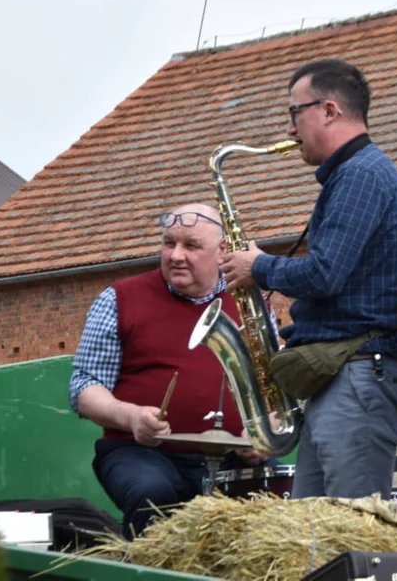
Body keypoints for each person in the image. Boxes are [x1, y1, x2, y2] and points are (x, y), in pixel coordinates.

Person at [219, 59, 397, 500]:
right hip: (347, 375)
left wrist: (258, 266)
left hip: (360, 374)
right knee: (312, 531)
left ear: (329, 110)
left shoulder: (361, 175)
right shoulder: (354, 174)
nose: (289, 129)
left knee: (351, 533)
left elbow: (324, 274)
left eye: (295, 113)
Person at [68, 202, 271, 539]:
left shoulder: (252, 301)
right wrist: (131, 417)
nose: (176, 255)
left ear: (222, 251)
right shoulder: (117, 298)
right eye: (168, 243)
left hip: (233, 458)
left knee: (286, 498)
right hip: (140, 453)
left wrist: (267, 435)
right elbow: (84, 387)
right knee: (152, 493)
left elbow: (272, 386)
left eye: (191, 245)